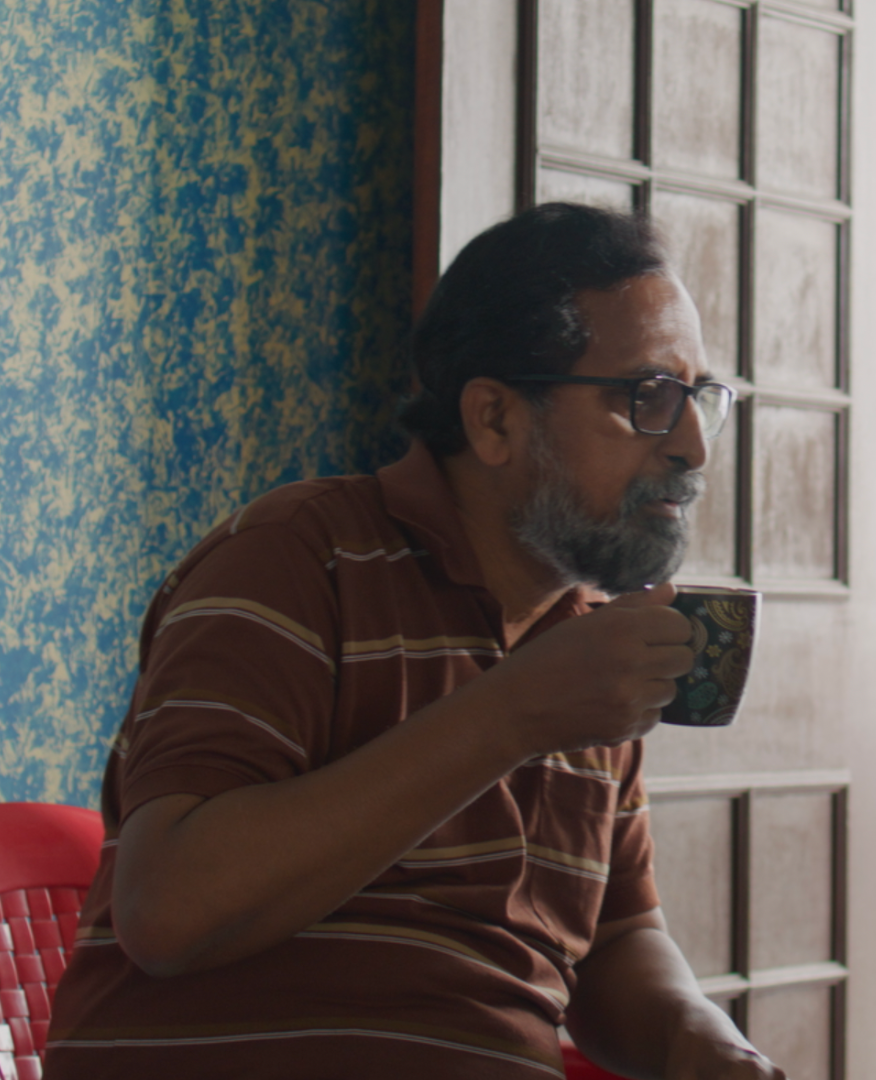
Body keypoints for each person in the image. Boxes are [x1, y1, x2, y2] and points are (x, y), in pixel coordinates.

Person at [47, 203, 787, 1079]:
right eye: (648, 397)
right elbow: (169, 911)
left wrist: (697, 1039)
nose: (695, 445)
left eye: (702, 397)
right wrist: (511, 715)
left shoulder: (587, 645)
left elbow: (618, 940)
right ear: (495, 420)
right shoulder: (297, 558)